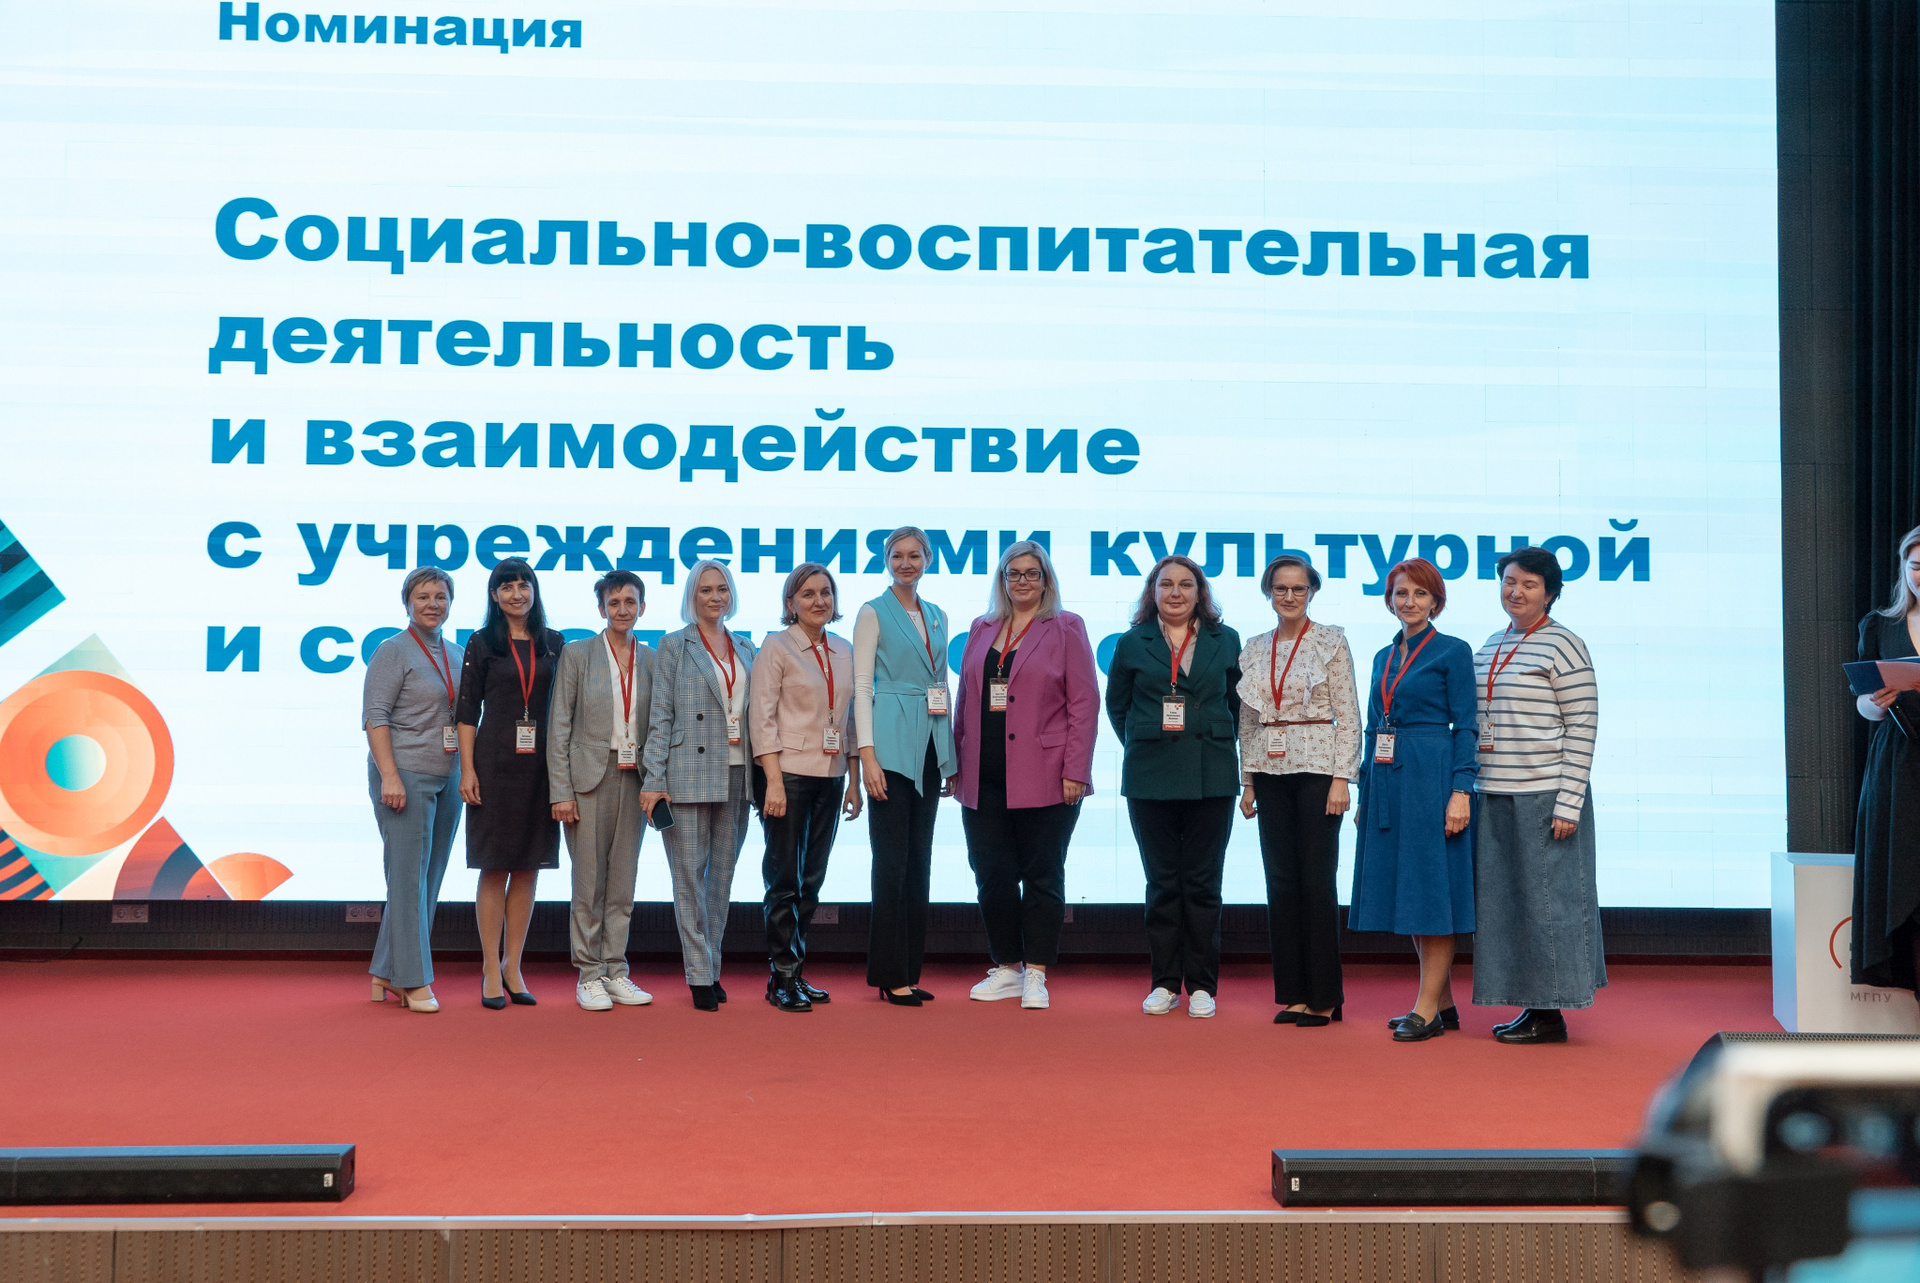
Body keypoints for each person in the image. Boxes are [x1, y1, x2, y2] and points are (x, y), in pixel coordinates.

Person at [954, 540, 1099, 1011]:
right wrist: (954, 763)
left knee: (1042, 875)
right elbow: (964, 699)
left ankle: (1036, 972)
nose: (1022, 581)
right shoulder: (981, 628)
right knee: (991, 875)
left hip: (1048, 775)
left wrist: (1076, 769)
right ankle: (1007, 967)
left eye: (1031, 573)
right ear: (1002, 580)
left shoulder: (1066, 627)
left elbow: (1084, 704)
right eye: (1013, 573)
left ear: (1046, 580)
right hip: (983, 775)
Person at [1469, 546, 1602, 1044]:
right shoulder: (1491, 643)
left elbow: (1583, 726)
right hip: (1494, 794)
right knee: (1510, 907)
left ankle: (1551, 1015)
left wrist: (1569, 802)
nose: (1516, 591)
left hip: (1545, 795)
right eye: (1509, 581)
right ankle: (1531, 1003)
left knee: (1550, 907)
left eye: (1528, 584)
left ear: (1550, 593)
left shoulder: (1564, 644)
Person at [1105, 554, 1243, 1018]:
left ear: (1200, 592)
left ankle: (1202, 985)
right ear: (1153, 591)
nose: (1176, 593)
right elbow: (1118, 708)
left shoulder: (1227, 640)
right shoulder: (1131, 642)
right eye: (1166, 584)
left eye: (1186, 584)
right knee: (1163, 883)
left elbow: (1237, 705)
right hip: (1150, 775)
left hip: (1212, 774)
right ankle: (1164, 982)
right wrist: (1148, 742)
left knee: (1203, 883)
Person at [1348, 558, 1477, 1042]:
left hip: (1433, 775)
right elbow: (1371, 727)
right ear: (1390, 600)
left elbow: (1467, 725)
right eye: (1401, 593)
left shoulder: (1453, 651)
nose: (1410, 602)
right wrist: (1365, 790)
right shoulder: (1383, 655)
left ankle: (1425, 1008)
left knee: (1431, 890)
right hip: (1389, 778)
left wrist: (1461, 790)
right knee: (1411, 889)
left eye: (1420, 594)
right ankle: (1442, 1002)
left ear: (1436, 601)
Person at [1237, 554, 1361, 1028]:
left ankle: (1325, 996)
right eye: (1280, 588)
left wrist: (1341, 779)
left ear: (1312, 592)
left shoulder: (1331, 641)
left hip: (1318, 771)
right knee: (1281, 882)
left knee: (1316, 882)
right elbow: (1247, 721)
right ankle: (1293, 993)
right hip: (1269, 772)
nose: (1289, 596)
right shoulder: (1254, 647)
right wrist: (1247, 782)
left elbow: (1349, 715)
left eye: (1299, 588)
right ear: (1268, 592)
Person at [641, 559, 757, 1011]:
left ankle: (713, 965)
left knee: (721, 880)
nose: (715, 597)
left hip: (737, 773)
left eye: (722, 589)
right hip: (686, 772)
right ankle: (698, 974)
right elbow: (660, 717)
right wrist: (654, 780)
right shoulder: (673, 645)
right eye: (705, 589)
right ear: (692, 595)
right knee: (689, 880)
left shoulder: (746, 646)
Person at [749, 562, 863, 1012]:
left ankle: (795, 971)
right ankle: (780, 978)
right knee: (784, 879)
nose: (819, 601)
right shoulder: (776, 646)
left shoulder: (844, 649)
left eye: (826, 593)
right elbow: (761, 717)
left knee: (812, 879)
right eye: (809, 594)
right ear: (791, 602)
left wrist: (853, 779)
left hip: (831, 776)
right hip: (788, 775)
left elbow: (849, 718)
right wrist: (773, 782)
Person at [854, 527, 958, 1006]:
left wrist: (948, 755)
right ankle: (888, 973)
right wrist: (867, 756)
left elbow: (941, 687)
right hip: (891, 746)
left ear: (928, 560)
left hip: (930, 746)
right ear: (886, 560)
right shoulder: (872, 612)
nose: (906, 563)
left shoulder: (937, 614)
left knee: (920, 861)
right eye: (897, 555)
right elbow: (862, 688)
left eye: (915, 555)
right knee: (891, 862)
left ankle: (910, 971)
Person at [457, 558, 565, 1009]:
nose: (517, 594)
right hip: (493, 766)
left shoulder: (555, 643)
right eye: (507, 587)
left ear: (534, 591)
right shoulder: (482, 642)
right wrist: (467, 770)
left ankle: (513, 965)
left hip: (541, 770)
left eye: (524, 585)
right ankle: (488, 967)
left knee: (528, 868)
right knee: (494, 866)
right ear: (494, 596)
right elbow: (466, 712)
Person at [548, 569, 655, 1013]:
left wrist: (658, 781)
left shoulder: (653, 658)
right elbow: (559, 724)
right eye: (614, 603)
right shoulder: (577, 654)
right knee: (589, 882)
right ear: (601, 609)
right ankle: (589, 975)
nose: (622, 610)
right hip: (587, 779)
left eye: (630, 602)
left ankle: (615, 970)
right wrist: (561, 790)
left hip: (636, 776)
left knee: (623, 882)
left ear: (642, 607)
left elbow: (660, 724)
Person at [363, 567, 464, 1013]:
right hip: (403, 774)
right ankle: (412, 980)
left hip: (449, 776)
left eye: (440, 597)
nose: (432, 605)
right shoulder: (392, 650)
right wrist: (389, 776)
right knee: (406, 881)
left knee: (428, 879)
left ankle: (385, 971)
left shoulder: (457, 653)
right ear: (407, 603)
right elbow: (375, 716)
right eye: (423, 597)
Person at [1854, 524, 1920, 992]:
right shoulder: (1881, 625)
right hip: (1897, 764)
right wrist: (1874, 704)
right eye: (1915, 567)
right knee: (1903, 880)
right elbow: (1861, 702)